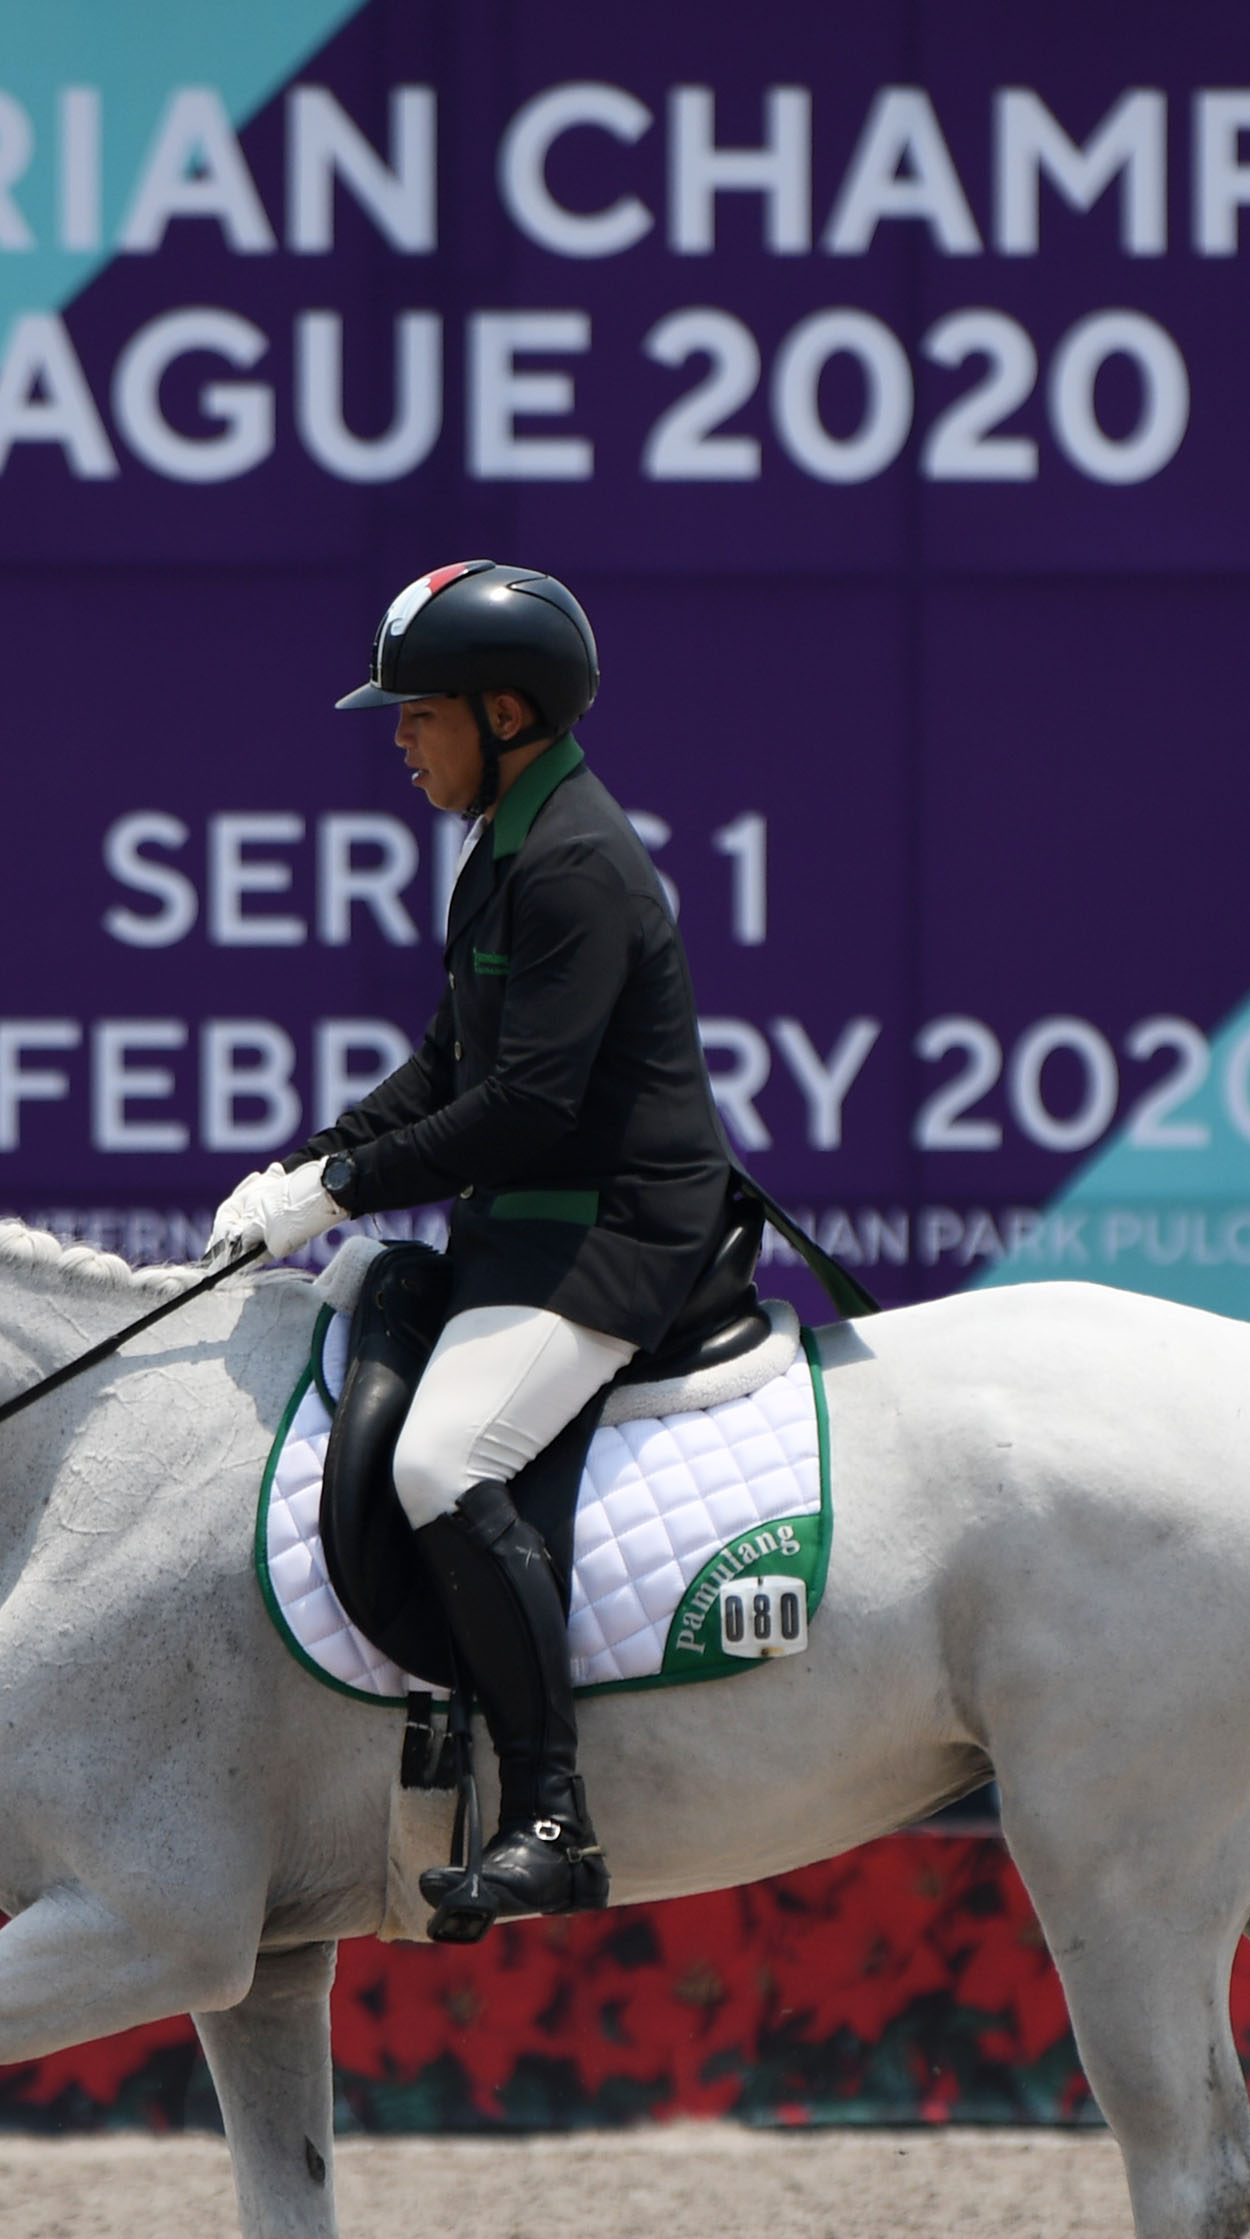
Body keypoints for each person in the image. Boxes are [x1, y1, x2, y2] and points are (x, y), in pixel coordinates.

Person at [210, 562, 732, 1931]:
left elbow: (526, 1107)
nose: (398, 738)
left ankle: (553, 1812)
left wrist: (343, 1192)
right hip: (530, 1225)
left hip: (613, 1232)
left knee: (446, 1458)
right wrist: (316, 1160)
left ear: (507, 710)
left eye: (419, 713)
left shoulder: (571, 862)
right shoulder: (504, 840)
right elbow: (449, 1060)